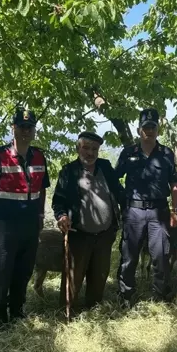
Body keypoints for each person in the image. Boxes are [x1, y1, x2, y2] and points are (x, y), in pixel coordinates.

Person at [0, 108, 50, 329]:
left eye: (30, 127)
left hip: (29, 223)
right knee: (2, 269)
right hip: (3, 224)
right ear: (14, 128)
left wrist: (40, 216)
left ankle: (18, 310)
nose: (26, 131)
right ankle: (0, 315)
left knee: (24, 269)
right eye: (22, 127)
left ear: (34, 130)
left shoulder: (39, 156)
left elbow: (42, 190)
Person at [52, 131, 125, 309]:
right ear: (78, 149)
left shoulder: (105, 167)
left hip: (105, 234)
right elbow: (58, 201)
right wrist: (61, 215)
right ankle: (67, 311)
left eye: (94, 149)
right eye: (86, 148)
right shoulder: (69, 171)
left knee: (99, 276)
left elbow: (119, 192)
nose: (90, 153)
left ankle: (93, 309)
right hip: (79, 234)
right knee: (73, 277)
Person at [115, 108, 177, 306]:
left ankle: (160, 294)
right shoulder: (129, 153)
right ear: (139, 130)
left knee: (160, 254)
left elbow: (175, 184)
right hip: (133, 211)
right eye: (145, 128)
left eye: (153, 127)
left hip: (158, 211)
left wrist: (175, 211)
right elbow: (114, 178)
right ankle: (126, 295)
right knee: (129, 255)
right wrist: (122, 200)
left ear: (157, 130)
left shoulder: (166, 154)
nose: (149, 131)